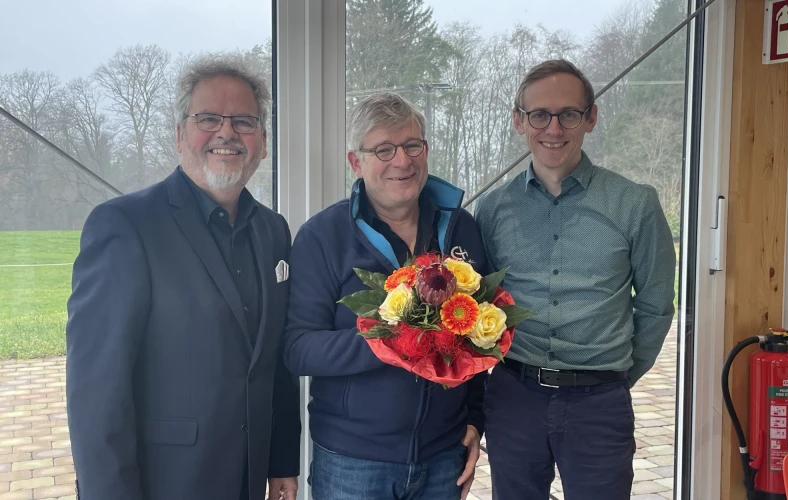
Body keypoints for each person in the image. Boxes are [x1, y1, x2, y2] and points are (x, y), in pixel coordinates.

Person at [66, 53, 300, 500]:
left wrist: (281, 462)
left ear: (263, 142)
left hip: (249, 480)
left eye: (244, 122)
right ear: (179, 135)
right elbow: (96, 393)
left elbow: (273, 364)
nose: (227, 133)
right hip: (165, 483)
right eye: (208, 119)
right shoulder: (125, 226)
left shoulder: (273, 231)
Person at [475, 59, 676, 500]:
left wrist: (615, 378)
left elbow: (657, 305)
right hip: (513, 397)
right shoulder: (491, 210)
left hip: (599, 405)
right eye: (539, 115)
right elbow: (479, 303)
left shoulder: (635, 204)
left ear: (591, 117)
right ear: (519, 121)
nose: (553, 128)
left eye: (568, 114)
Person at [284, 92, 487, 500]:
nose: (402, 161)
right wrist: (389, 338)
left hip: (443, 457)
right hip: (353, 464)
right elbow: (298, 349)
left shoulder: (461, 228)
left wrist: (475, 421)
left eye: (412, 146)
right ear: (355, 162)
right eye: (383, 149)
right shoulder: (322, 236)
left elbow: (481, 336)